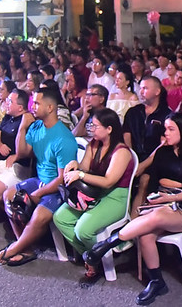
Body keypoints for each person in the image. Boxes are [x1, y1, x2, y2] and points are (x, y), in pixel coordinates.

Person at [83, 112, 182, 305]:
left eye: (170, 129)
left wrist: (170, 198)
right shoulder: (162, 150)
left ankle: (107, 244)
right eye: (165, 128)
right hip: (160, 202)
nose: (165, 132)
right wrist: (120, 168)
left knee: (156, 216)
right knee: (146, 234)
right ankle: (157, 282)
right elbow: (139, 168)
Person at [0, 88, 78, 266]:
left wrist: (38, 194)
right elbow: (22, 152)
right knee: (8, 195)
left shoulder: (63, 138)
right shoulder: (36, 127)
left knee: (39, 215)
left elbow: (62, 179)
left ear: (50, 108)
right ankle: (25, 248)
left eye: (37, 103)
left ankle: (15, 248)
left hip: (58, 188)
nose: (32, 106)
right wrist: (23, 127)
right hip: (39, 181)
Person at [54, 108, 135, 281]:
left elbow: (108, 181)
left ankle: (100, 257)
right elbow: (84, 168)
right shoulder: (94, 144)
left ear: (109, 129)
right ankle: (91, 256)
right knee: (60, 218)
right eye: (90, 125)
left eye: (95, 126)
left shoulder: (121, 151)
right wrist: (75, 164)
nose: (91, 129)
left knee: (83, 229)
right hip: (94, 192)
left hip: (116, 196)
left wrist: (81, 175)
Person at [122, 76, 171, 215]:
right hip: (133, 157)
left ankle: (133, 222)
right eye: (141, 88)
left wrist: (143, 165)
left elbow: (164, 145)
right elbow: (127, 135)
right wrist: (130, 159)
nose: (141, 91)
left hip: (155, 160)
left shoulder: (166, 115)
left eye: (145, 88)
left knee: (145, 180)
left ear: (157, 91)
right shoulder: (133, 112)